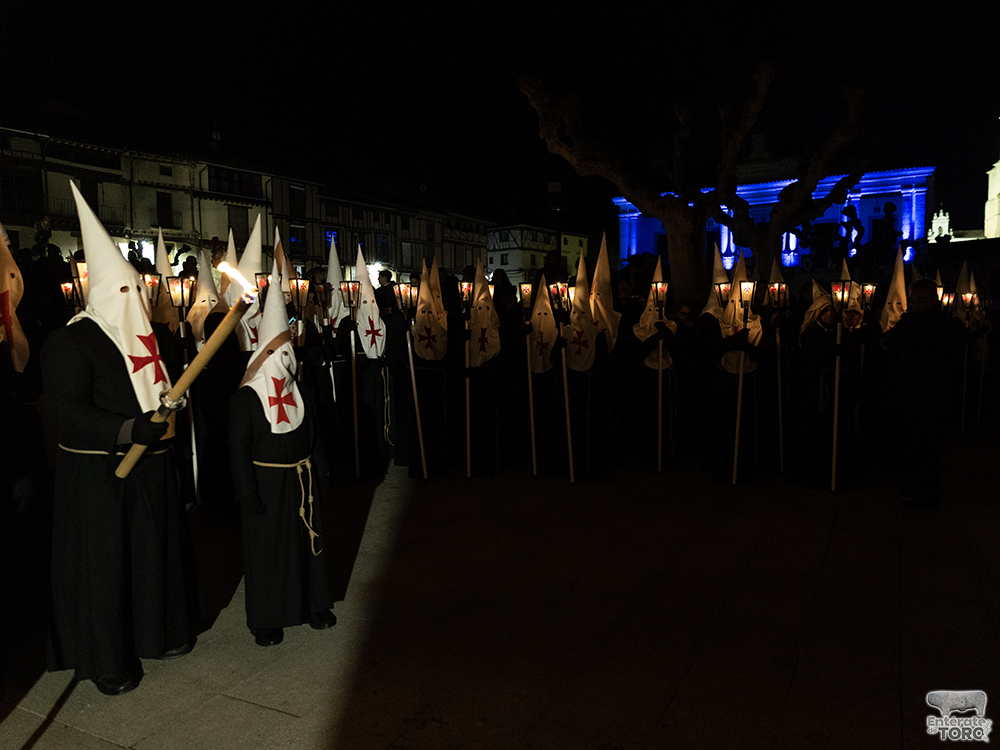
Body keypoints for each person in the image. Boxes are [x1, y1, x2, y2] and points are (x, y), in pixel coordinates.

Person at [41, 183, 199, 696]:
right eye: (123, 290)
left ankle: (161, 632)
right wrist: (128, 429)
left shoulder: (145, 334)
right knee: (104, 569)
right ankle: (104, 659)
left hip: (151, 467)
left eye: (137, 286)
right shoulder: (70, 341)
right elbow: (66, 413)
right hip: (97, 476)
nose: (133, 297)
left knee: (153, 555)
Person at [228, 264, 336, 646]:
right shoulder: (245, 401)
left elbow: (316, 436)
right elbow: (238, 452)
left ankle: (314, 604)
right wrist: (247, 494)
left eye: (289, 349)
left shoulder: (304, 394)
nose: (285, 358)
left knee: (308, 543)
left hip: (302, 480)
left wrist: (321, 474)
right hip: (266, 488)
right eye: (276, 350)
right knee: (269, 553)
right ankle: (267, 618)